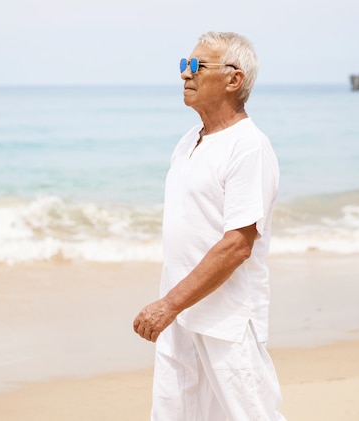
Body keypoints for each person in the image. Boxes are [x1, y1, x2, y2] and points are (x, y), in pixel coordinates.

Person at [133, 32, 286, 420]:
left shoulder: (248, 147)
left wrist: (167, 305)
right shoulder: (188, 142)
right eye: (184, 65)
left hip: (227, 321)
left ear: (234, 79)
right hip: (180, 318)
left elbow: (238, 244)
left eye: (196, 66)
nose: (185, 75)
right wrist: (172, 306)